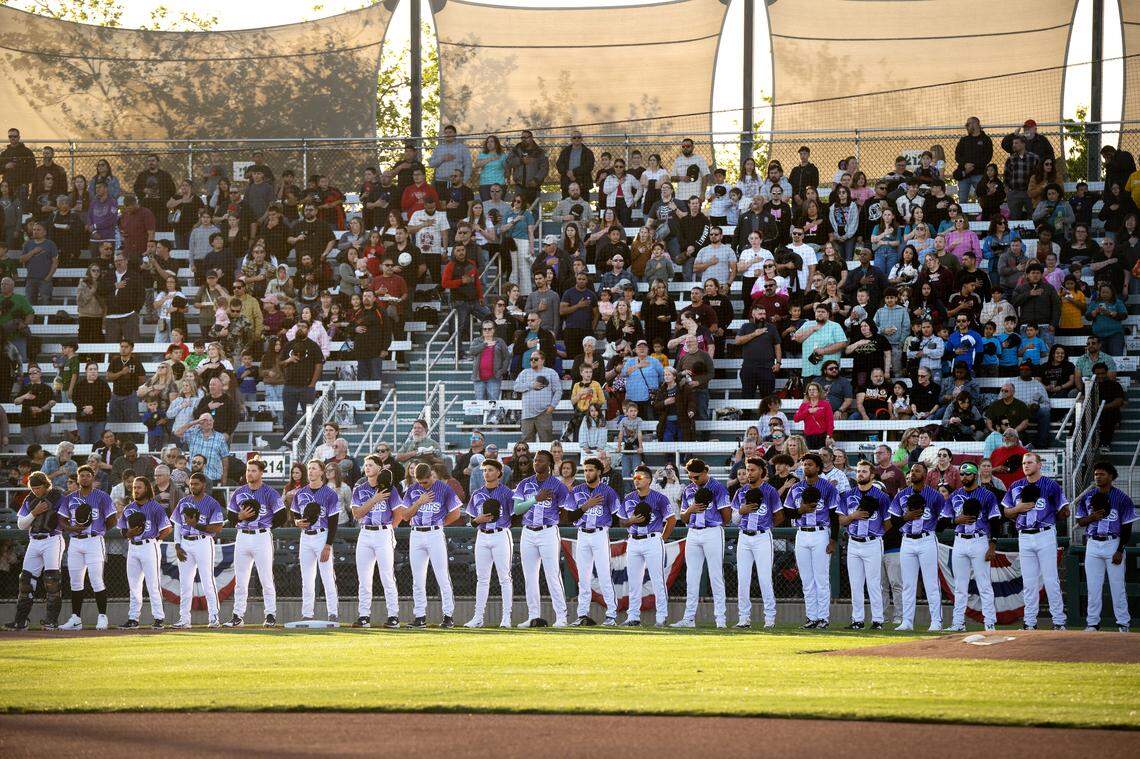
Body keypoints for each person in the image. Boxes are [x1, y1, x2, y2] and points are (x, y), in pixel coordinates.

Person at [1001, 452, 1069, 630]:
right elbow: (1006, 512)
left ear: (1039, 464)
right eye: (1024, 463)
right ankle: (1029, 622)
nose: (1026, 465)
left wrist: (1059, 514)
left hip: (1045, 533)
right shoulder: (1016, 485)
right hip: (1024, 535)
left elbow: (1064, 508)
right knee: (1029, 582)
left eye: (1030, 462)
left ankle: (1059, 622)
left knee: (1051, 579)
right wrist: (1019, 508)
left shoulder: (1051, 485)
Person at [224, 459, 286, 628]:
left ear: (261, 473)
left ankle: (271, 614)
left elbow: (282, 516)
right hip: (242, 536)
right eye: (248, 470)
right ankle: (237, 616)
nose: (249, 473)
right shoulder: (238, 492)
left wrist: (266, 523)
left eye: (253, 470)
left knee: (266, 578)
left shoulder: (270, 493)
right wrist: (240, 517)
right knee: (241, 580)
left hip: (261, 536)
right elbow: (230, 517)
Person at [940, 462, 1002, 632]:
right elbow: (943, 521)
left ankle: (989, 622)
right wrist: (955, 521)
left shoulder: (987, 495)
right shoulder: (955, 495)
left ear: (975, 475)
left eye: (967, 474)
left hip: (979, 540)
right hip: (959, 540)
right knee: (960, 585)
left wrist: (992, 545)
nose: (964, 477)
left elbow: (996, 520)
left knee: (984, 583)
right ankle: (958, 623)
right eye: (961, 474)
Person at [1074, 462, 1135, 632]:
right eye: (1095, 474)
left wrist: (1120, 550)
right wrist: (1091, 518)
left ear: (1111, 476)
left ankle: (1123, 624)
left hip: (1113, 542)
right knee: (1093, 587)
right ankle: (1093, 623)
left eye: (1101, 474)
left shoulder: (1122, 498)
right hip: (1093, 543)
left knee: (1118, 587)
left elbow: (1127, 527)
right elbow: (1080, 521)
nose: (1097, 477)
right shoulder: (1088, 497)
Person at [513, 450, 571, 628]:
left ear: (549, 464)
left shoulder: (558, 485)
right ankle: (534, 616)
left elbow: (566, 511)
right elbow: (517, 510)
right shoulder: (524, 483)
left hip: (548, 531)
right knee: (530, 577)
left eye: (541, 460)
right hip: (528, 531)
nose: (536, 463)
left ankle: (561, 617)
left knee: (553, 574)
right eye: (535, 460)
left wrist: (553, 519)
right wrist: (535, 500)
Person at [54, 465, 116, 630]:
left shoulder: (102, 496)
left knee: (96, 580)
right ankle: (76, 619)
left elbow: (112, 519)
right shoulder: (69, 497)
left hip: (94, 540)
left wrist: (99, 530)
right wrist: (71, 528)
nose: (85, 478)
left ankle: (102, 616)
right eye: (82, 475)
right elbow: (61, 519)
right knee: (75, 582)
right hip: (75, 541)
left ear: (93, 477)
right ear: (77, 478)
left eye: (88, 475)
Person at [672, 459, 731, 629]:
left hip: (712, 531)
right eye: (690, 477)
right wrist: (691, 510)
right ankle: (689, 619)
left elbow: (726, 517)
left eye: (696, 477)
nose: (693, 480)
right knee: (692, 576)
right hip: (693, 532)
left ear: (705, 472)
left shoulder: (717, 487)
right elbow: (683, 517)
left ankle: (721, 619)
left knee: (716, 575)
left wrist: (711, 518)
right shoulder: (689, 489)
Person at [887, 462, 945, 632]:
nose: (913, 473)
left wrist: (932, 521)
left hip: (927, 539)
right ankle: (907, 621)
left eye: (917, 470)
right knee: (908, 583)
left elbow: (944, 520)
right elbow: (894, 521)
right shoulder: (902, 495)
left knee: (931, 582)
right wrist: (907, 517)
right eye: (911, 470)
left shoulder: (935, 496)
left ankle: (936, 621)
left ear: (925, 475)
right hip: (907, 540)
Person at [784, 454, 840, 630]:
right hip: (802, 533)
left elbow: (834, 516)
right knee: (807, 579)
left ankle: (823, 618)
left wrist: (833, 540)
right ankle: (811, 617)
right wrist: (801, 510)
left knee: (821, 578)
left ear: (818, 467)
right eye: (804, 464)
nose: (806, 467)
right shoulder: (796, 488)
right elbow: (787, 512)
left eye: (809, 464)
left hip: (821, 533)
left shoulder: (828, 487)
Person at [619, 465, 677, 627]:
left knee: (657, 579)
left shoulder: (659, 498)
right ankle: (633, 617)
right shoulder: (629, 497)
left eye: (640, 477)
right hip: (634, 539)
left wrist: (662, 539)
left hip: (653, 539)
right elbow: (621, 521)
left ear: (649, 480)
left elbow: (671, 520)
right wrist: (631, 521)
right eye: (634, 477)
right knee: (634, 580)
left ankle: (661, 616)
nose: (636, 480)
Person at [837, 460, 892, 630]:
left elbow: (888, 523)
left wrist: (875, 533)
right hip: (853, 542)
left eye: (864, 471)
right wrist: (854, 515)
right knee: (856, 583)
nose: (860, 474)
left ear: (872, 475)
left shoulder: (881, 496)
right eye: (858, 471)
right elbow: (841, 520)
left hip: (872, 542)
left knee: (874, 583)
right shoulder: (847, 495)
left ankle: (877, 620)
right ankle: (857, 620)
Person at [349, 455, 403, 629]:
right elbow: (357, 514)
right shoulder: (359, 489)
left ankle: (393, 616)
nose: (367, 467)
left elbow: (398, 514)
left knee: (387, 575)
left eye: (371, 465)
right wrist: (374, 500)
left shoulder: (390, 489)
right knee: (364, 577)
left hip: (383, 532)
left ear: (380, 468)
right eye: (365, 465)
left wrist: (388, 530)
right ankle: (364, 616)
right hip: (365, 533)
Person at [566, 457, 620, 627]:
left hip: (599, 534)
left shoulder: (608, 491)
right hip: (582, 534)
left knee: (604, 575)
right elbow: (569, 516)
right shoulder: (577, 490)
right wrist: (586, 506)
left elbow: (616, 514)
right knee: (583, 577)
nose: (588, 473)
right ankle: (582, 614)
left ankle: (611, 615)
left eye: (591, 470)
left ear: (599, 471)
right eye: (586, 470)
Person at [463, 458, 515, 629]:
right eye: (484, 470)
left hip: (500, 534)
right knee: (482, 579)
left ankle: (506, 617)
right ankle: (478, 617)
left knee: (504, 578)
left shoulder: (507, 493)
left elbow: (515, 514)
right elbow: (471, 520)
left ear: (499, 473)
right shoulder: (477, 493)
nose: (487, 473)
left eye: (490, 470)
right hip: (482, 535)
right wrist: (477, 520)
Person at [732, 458, 783, 629]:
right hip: (744, 536)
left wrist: (766, 525)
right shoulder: (741, 491)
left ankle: (770, 618)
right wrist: (741, 511)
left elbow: (779, 516)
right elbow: (733, 519)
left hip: (762, 536)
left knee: (764, 578)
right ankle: (743, 618)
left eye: (752, 470)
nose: (749, 473)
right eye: (747, 470)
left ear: (761, 471)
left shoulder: (770, 491)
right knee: (743, 579)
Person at [115, 476, 172, 629]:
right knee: (134, 585)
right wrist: (130, 533)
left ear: (146, 488)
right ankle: (133, 618)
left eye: (139, 487)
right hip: (133, 546)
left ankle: (159, 618)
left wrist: (156, 539)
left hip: (149, 545)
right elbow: (122, 531)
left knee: (153, 584)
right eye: (134, 487)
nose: (136, 490)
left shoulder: (155, 507)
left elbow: (167, 528)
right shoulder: (128, 508)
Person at [170, 472, 224, 629]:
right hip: (186, 542)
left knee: (208, 580)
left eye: (196, 484)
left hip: (203, 542)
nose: (193, 486)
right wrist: (177, 545)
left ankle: (214, 616)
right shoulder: (183, 501)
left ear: (203, 485)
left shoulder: (212, 503)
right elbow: (178, 525)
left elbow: (217, 527)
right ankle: (184, 619)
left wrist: (196, 525)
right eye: (191, 484)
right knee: (185, 584)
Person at [290, 460, 342, 623]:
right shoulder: (300, 493)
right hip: (306, 536)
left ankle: (332, 612)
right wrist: (297, 522)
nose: (311, 471)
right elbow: (294, 514)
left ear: (321, 472)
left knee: (327, 576)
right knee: (307, 578)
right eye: (309, 469)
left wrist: (328, 545)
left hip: (322, 535)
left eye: (314, 469)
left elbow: (334, 521)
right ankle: (307, 613)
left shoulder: (330, 493)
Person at [512, 350, 561, 443]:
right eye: (531, 359)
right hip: (527, 413)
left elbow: (558, 391)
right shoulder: (524, 373)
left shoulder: (551, 372)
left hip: (544, 412)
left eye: (535, 359)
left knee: (546, 441)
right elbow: (516, 387)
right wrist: (531, 385)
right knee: (526, 442)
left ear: (542, 360)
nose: (533, 361)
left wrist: (552, 406)